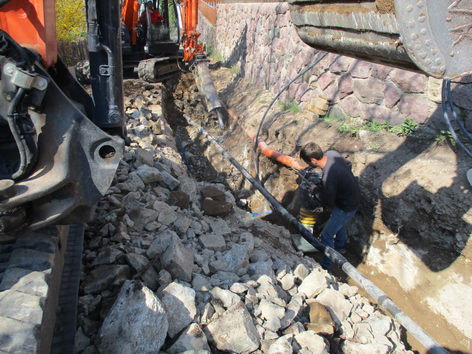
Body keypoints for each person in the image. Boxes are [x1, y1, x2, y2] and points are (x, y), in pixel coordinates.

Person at [299, 142, 361, 272]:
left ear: (314, 160)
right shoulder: (332, 154)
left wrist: (315, 189)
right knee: (339, 224)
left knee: (326, 235)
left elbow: (327, 200)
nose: (309, 166)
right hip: (352, 197)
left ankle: (326, 267)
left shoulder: (329, 176)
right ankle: (341, 247)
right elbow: (348, 165)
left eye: (309, 163)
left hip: (346, 206)